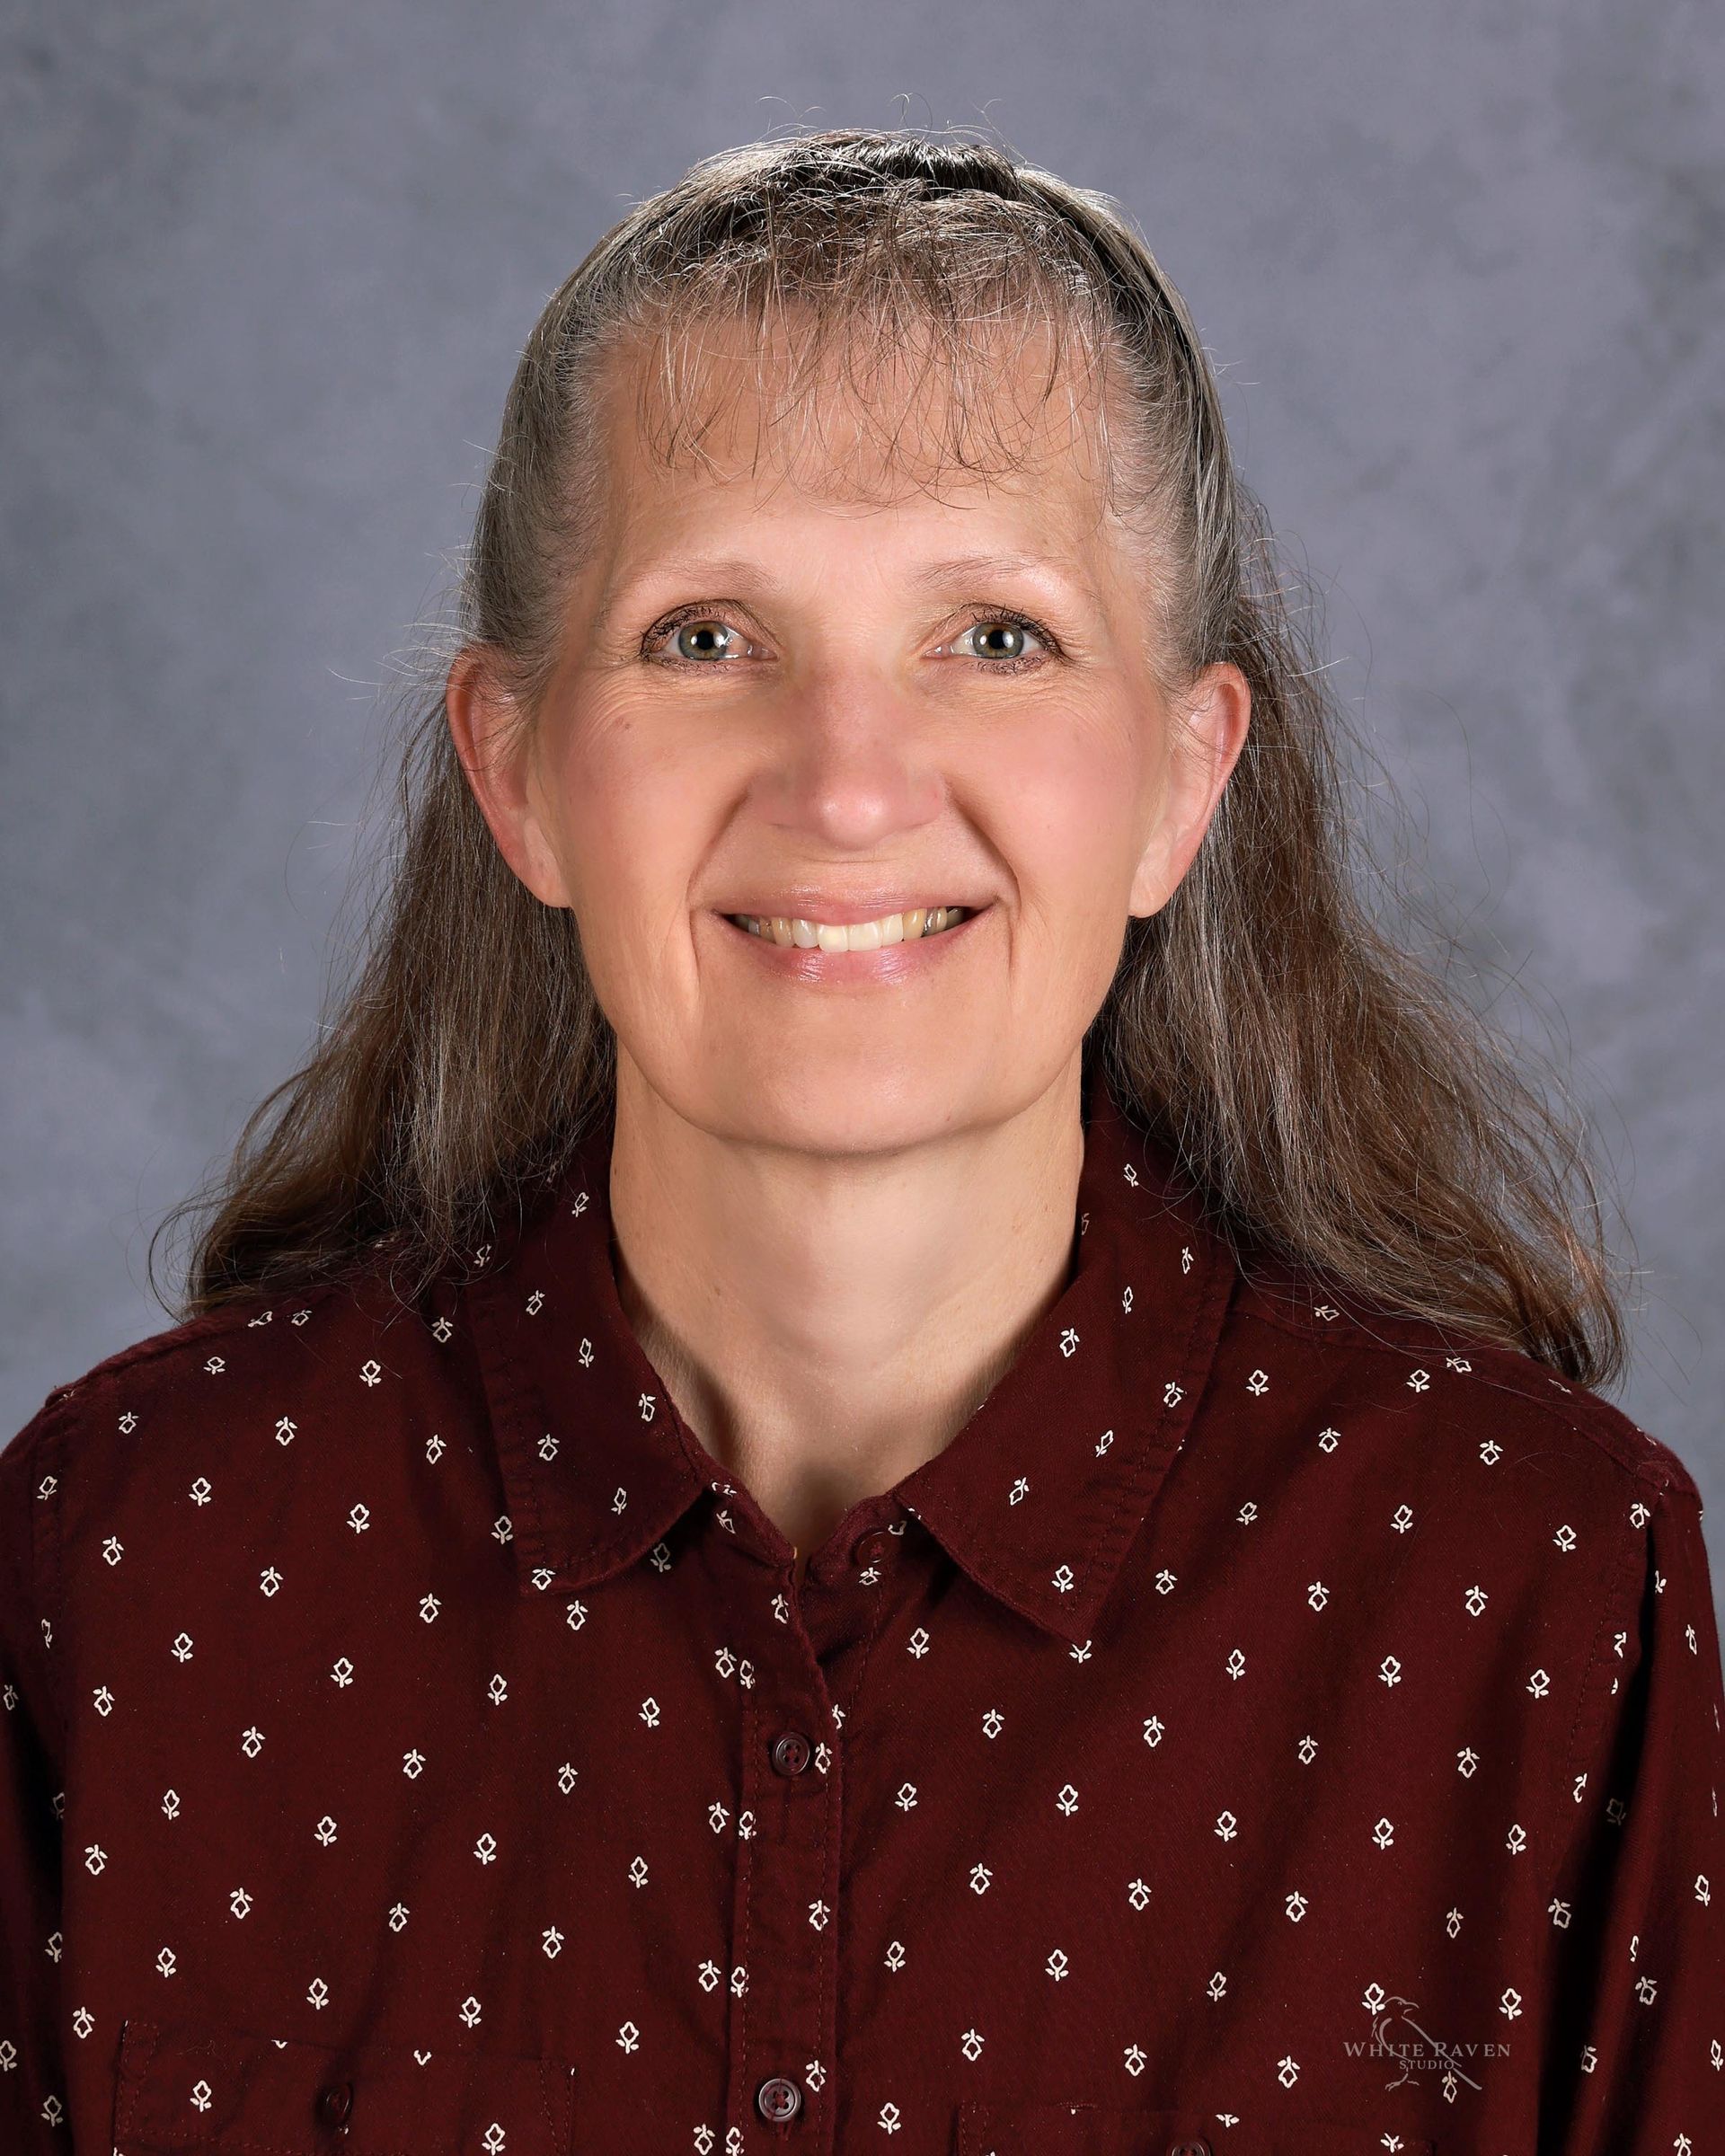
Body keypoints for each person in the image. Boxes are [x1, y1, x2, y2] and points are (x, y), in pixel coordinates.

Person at [2, 127, 1720, 2155]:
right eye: (706, 638)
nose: (845, 786)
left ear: (1183, 782)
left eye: (995, 636)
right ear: (523, 772)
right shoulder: (124, 1570)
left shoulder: (1534, 1596)